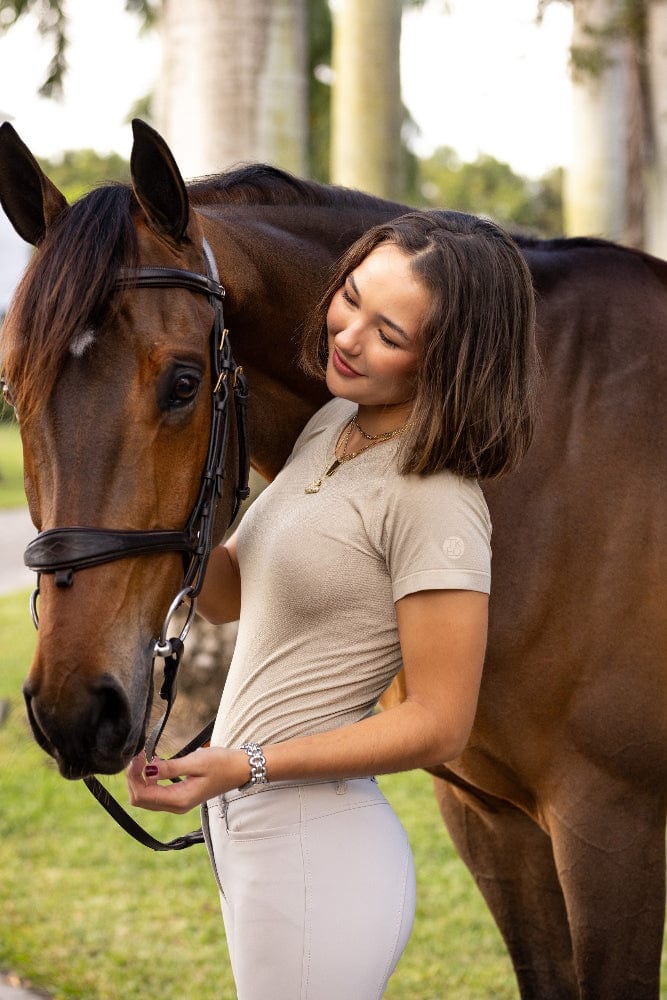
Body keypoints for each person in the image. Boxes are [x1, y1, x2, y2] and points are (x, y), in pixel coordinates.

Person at [126, 210, 538, 1000]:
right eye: (349, 298)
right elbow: (229, 594)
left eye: (389, 333)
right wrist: (140, 523)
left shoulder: (436, 499)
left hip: (319, 846)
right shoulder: (333, 424)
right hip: (250, 829)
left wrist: (244, 764)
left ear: (448, 361)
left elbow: (438, 723)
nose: (346, 336)